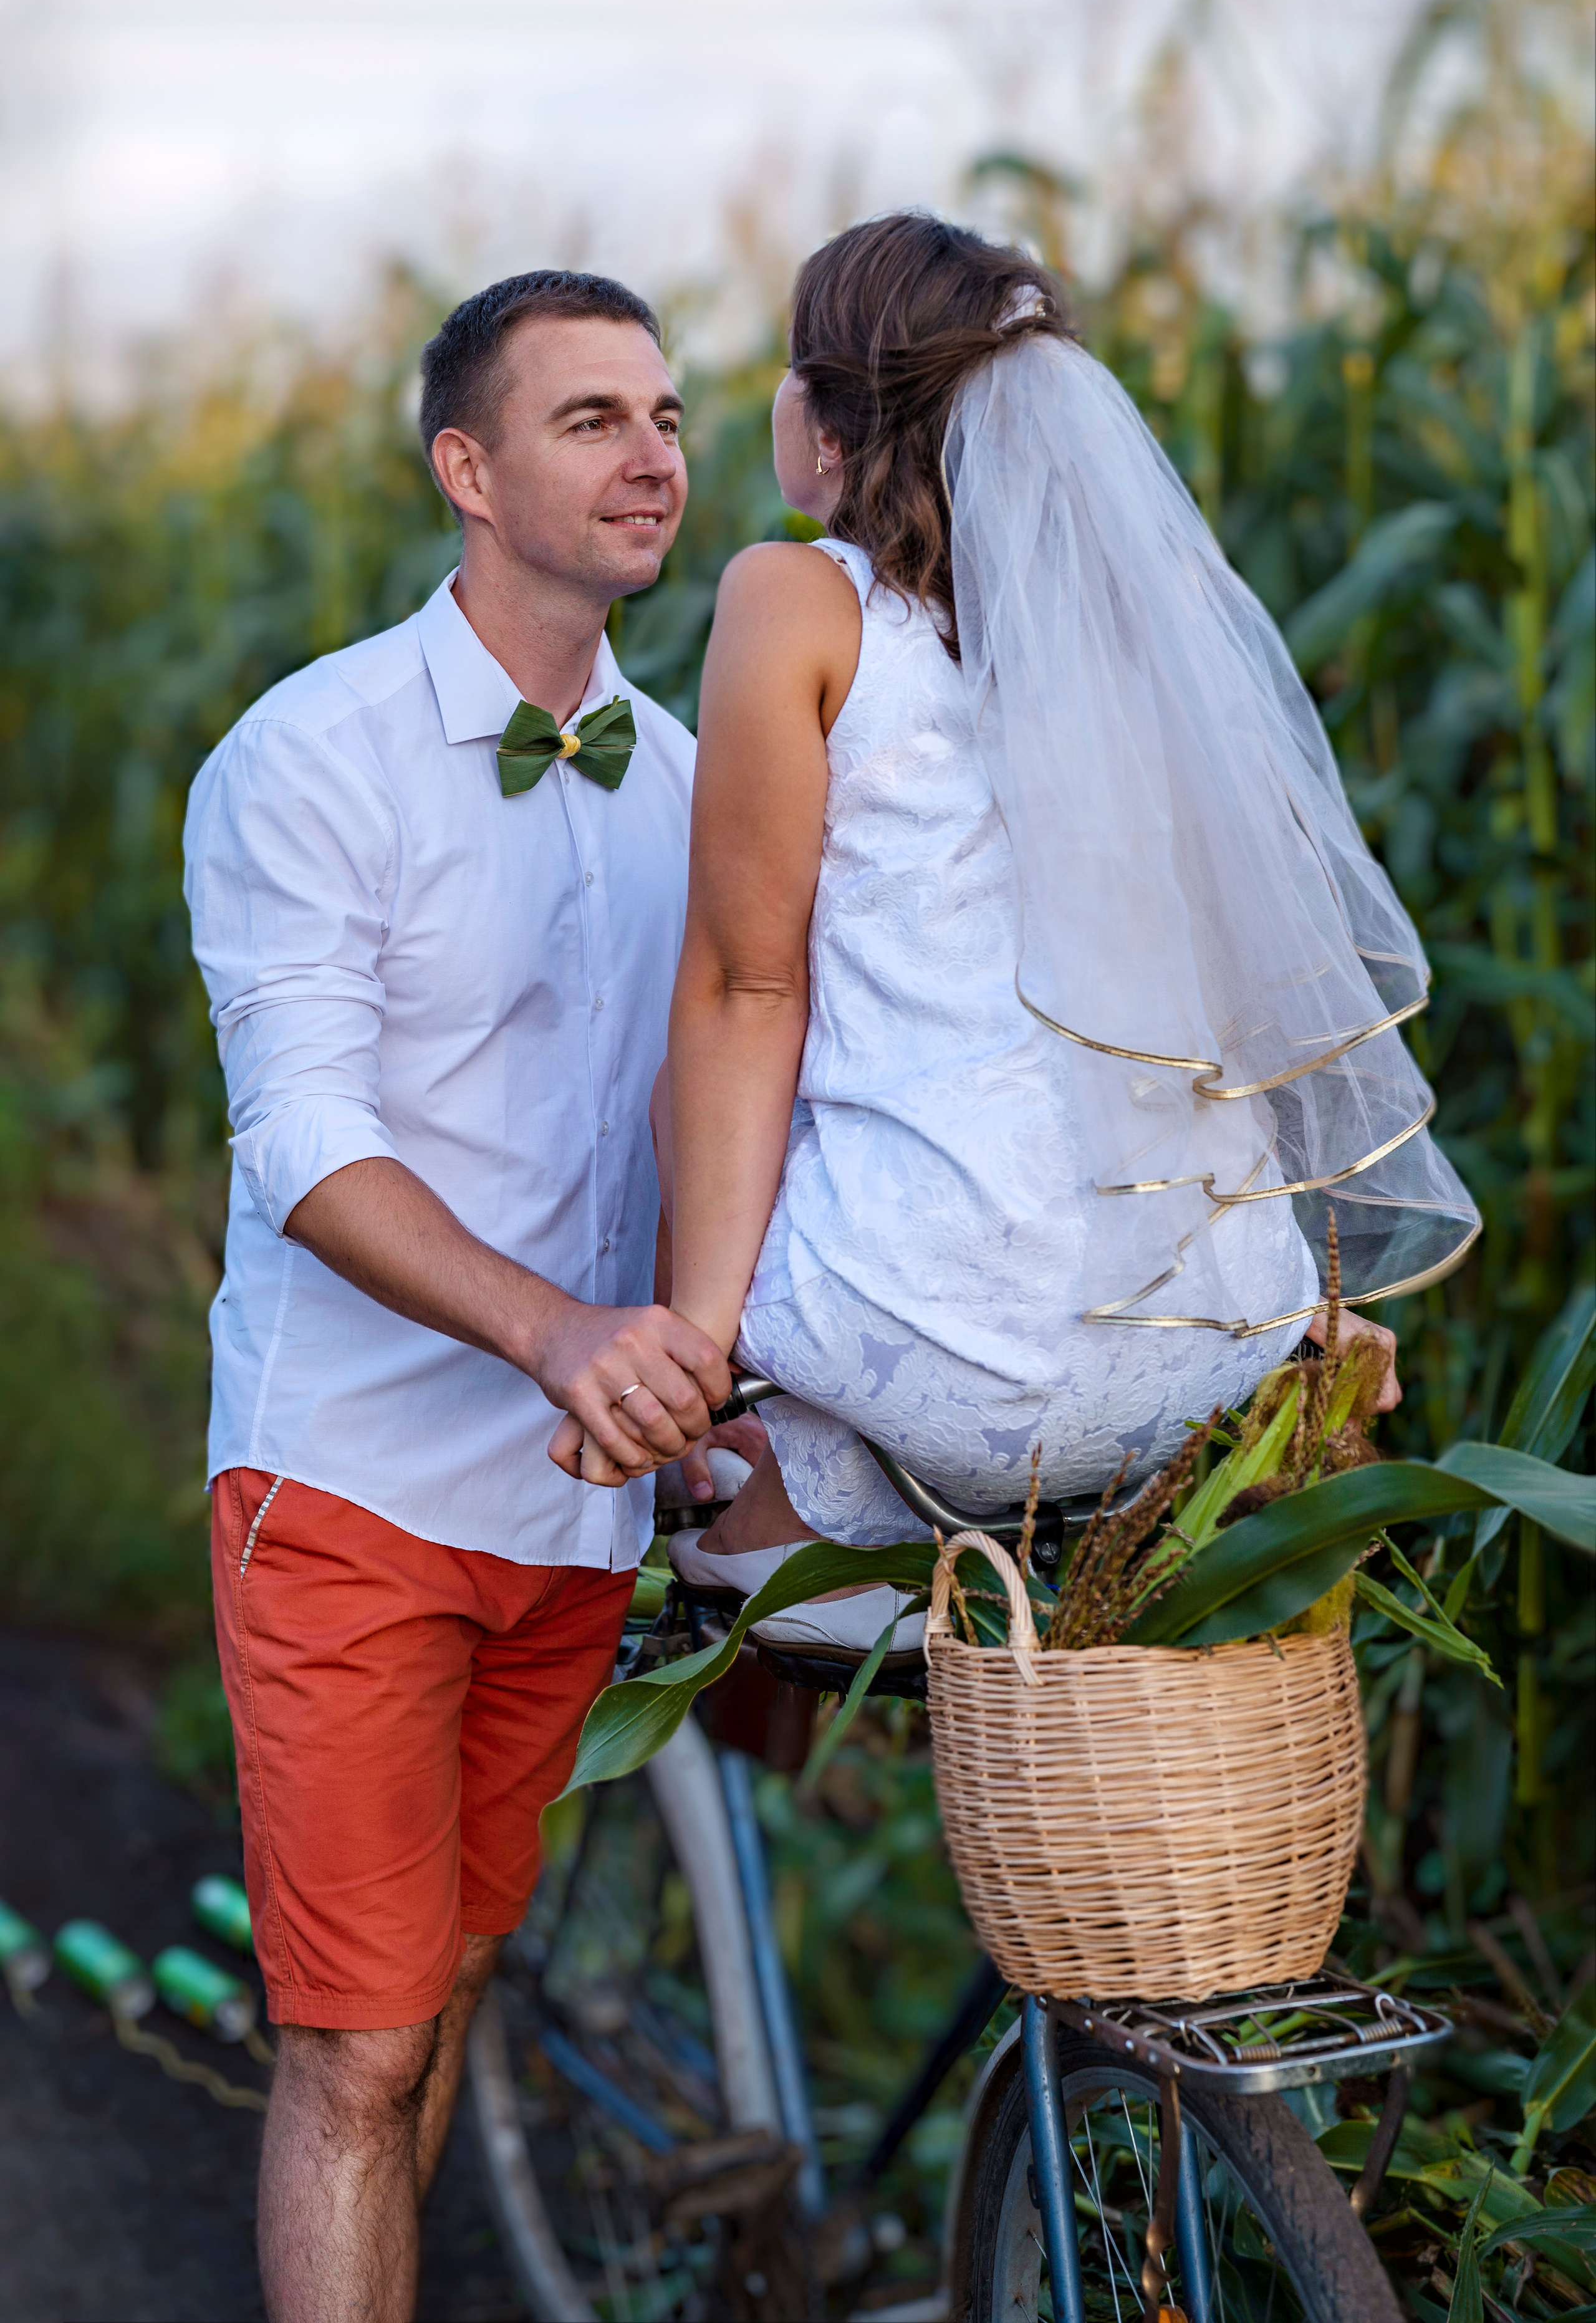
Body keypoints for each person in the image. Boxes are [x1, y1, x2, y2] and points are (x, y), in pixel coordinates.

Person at [620, 213, 1479, 1656]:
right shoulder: (1125, 635)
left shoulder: (794, 596)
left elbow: (745, 985)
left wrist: (696, 1355)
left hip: (958, 1373)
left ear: (827, 417)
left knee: (686, 1059)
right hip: (1209, 1348)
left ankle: (793, 1515)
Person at [183, 269, 751, 2323]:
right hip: (348, 1487)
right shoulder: (310, 755)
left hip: (573, 1510)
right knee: (354, 2039)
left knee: (444, 1994)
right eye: (590, 415)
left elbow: (712, 1116)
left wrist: (723, 1367)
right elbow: (307, 1144)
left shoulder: (694, 776)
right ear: (468, 468)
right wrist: (560, 1332)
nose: (655, 452)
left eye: (668, 412)